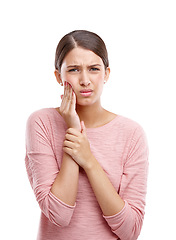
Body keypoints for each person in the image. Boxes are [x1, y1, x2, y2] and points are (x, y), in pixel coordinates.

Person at [25, 30, 149, 240]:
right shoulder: (41, 123)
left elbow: (130, 231)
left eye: (93, 69)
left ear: (106, 74)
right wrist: (72, 129)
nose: (84, 80)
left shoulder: (131, 134)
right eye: (74, 69)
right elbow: (59, 214)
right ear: (58, 76)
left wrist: (89, 161)